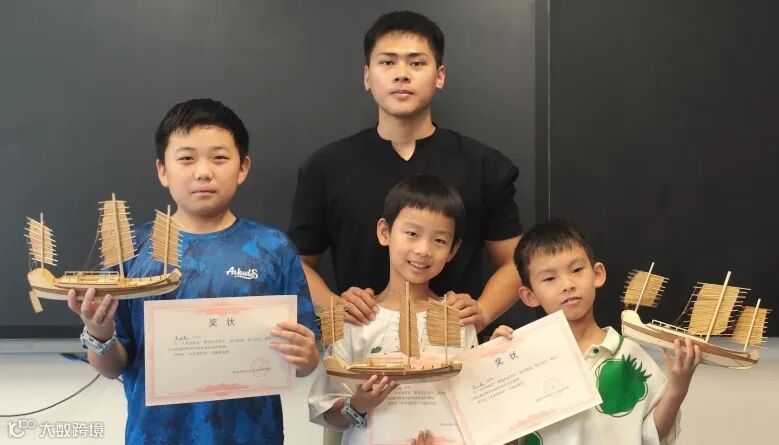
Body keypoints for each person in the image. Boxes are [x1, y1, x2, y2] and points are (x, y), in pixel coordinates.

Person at [66, 98, 320, 445]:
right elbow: (112, 367)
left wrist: (307, 357)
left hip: (251, 436)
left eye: (219, 158)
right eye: (186, 158)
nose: (203, 172)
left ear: (243, 167)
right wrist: (98, 332)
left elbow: (303, 362)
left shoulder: (272, 249)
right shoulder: (130, 251)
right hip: (155, 436)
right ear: (162, 170)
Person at [288, 10, 523, 335]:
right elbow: (296, 263)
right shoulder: (326, 167)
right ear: (367, 76)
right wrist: (333, 304)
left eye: (416, 63)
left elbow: (517, 262)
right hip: (359, 349)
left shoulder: (484, 165)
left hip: (455, 349)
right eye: (387, 62)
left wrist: (482, 310)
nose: (401, 75)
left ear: (439, 75)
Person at [492, 219, 701, 444]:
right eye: (550, 278)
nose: (567, 284)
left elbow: (652, 435)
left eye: (577, 270)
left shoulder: (629, 355)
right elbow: (505, 438)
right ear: (529, 296)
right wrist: (495, 369)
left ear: (598, 274)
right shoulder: (526, 362)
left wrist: (677, 388)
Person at [308, 175, 477, 445]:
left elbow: (476, 404)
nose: (423, 250)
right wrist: (359, 403)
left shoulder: (457, 318)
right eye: (412, 234)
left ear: (453, 249)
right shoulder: (355, 317)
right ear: (384, 232)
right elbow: (325, 410)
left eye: (439, 240)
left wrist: (501, 349)